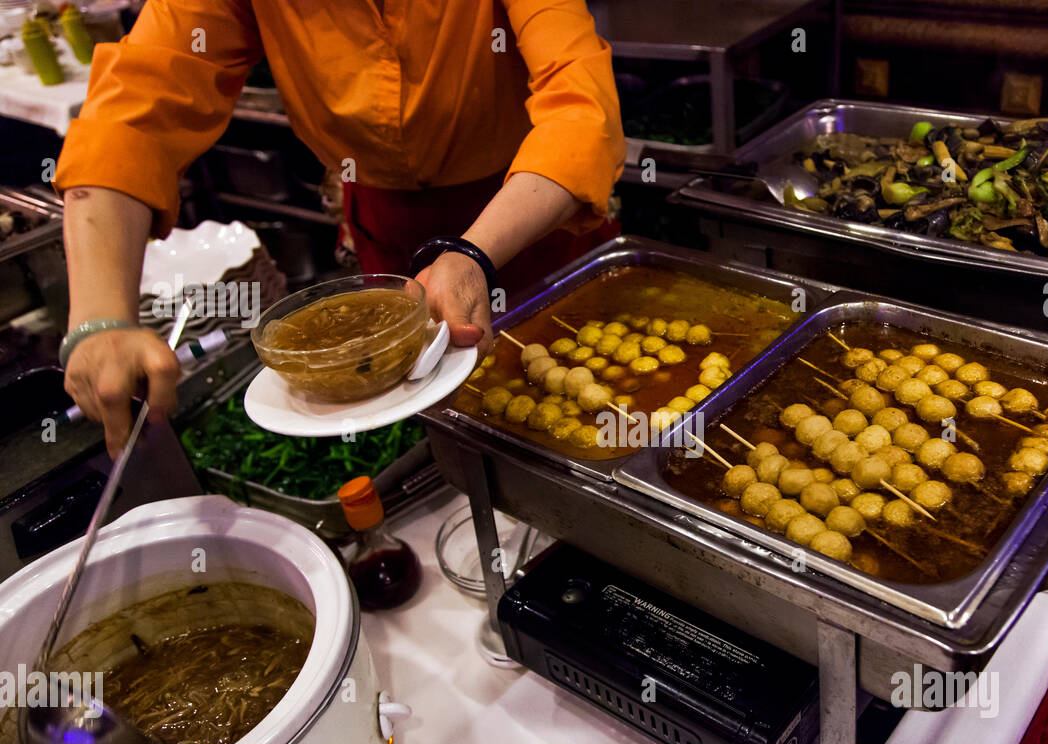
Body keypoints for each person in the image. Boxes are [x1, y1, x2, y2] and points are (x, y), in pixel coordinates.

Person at [54, 0, 624, 456]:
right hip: (386, 224)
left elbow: (581, 106)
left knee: (593, 405)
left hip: (530, 212)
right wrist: (99, 321)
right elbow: (135, 115)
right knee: (441, 422)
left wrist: (471, 252)